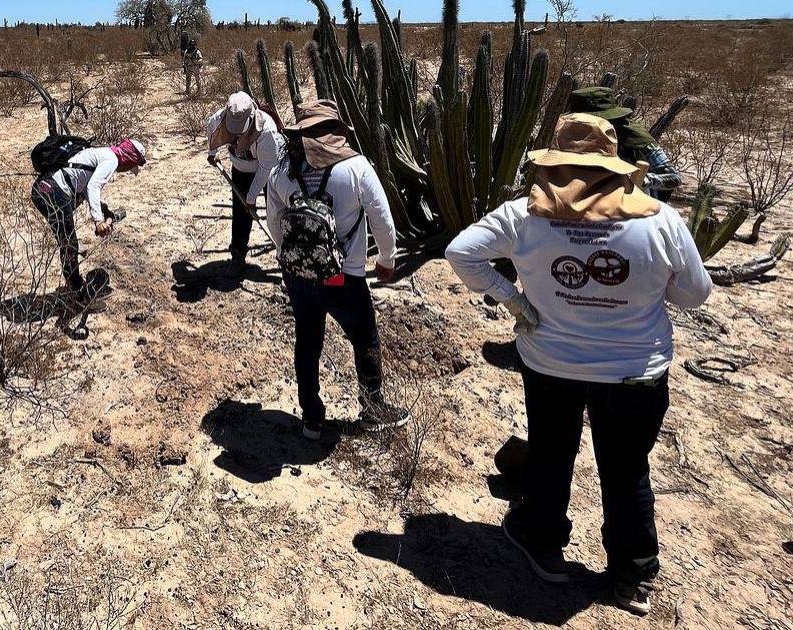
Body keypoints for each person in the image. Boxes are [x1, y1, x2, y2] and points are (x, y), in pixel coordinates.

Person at [445, 113, 712, 616]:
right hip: (635, 369)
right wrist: (644, 294)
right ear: (615, 166)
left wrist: (513, 299)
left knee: (551, 453)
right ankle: (632, 576)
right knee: (627, 470)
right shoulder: (659, 219)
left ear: (553, 163)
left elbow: (460, 253)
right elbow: (696, 293)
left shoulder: (523, 216)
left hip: (551, 362)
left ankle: (543, 543)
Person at [266, 100, 398, 440]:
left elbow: (275, 223)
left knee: (307, 341)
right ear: (336, 132)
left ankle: (311, 418)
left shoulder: (282, 170)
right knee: (364, 337)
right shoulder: (355, 167)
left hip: (298, 276)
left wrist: (290, 260)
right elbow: (382, 219)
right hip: (344, 276)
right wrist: (386, 258)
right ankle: (372, 410)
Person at [31, 138, 146, 299]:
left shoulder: (103, 152)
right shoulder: (112, 160)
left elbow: (84, 183)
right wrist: (99, 221)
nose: (127, 170)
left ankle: (74, 287)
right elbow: (93, 186)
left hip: (45, 188)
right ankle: (76, 293)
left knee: (68, 241)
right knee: (69, 244)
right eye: (130, 166)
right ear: (130, 159)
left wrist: (103, 210)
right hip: (53, 192)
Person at [207, 92, 285, 276]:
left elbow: (265, 168)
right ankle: (238, 256)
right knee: (240, 214)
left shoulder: (267, 131)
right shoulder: (218, 119)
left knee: (276, 214)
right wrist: (212, 154)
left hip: (269, 172)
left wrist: (251, 198)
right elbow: (211, 129)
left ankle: (286, 259)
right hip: (240, 169)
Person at [569, 87, 683, 201]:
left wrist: (642, 179)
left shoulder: (634, 137)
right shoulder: (571, 134)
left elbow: (675, 178)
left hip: (635, 200)